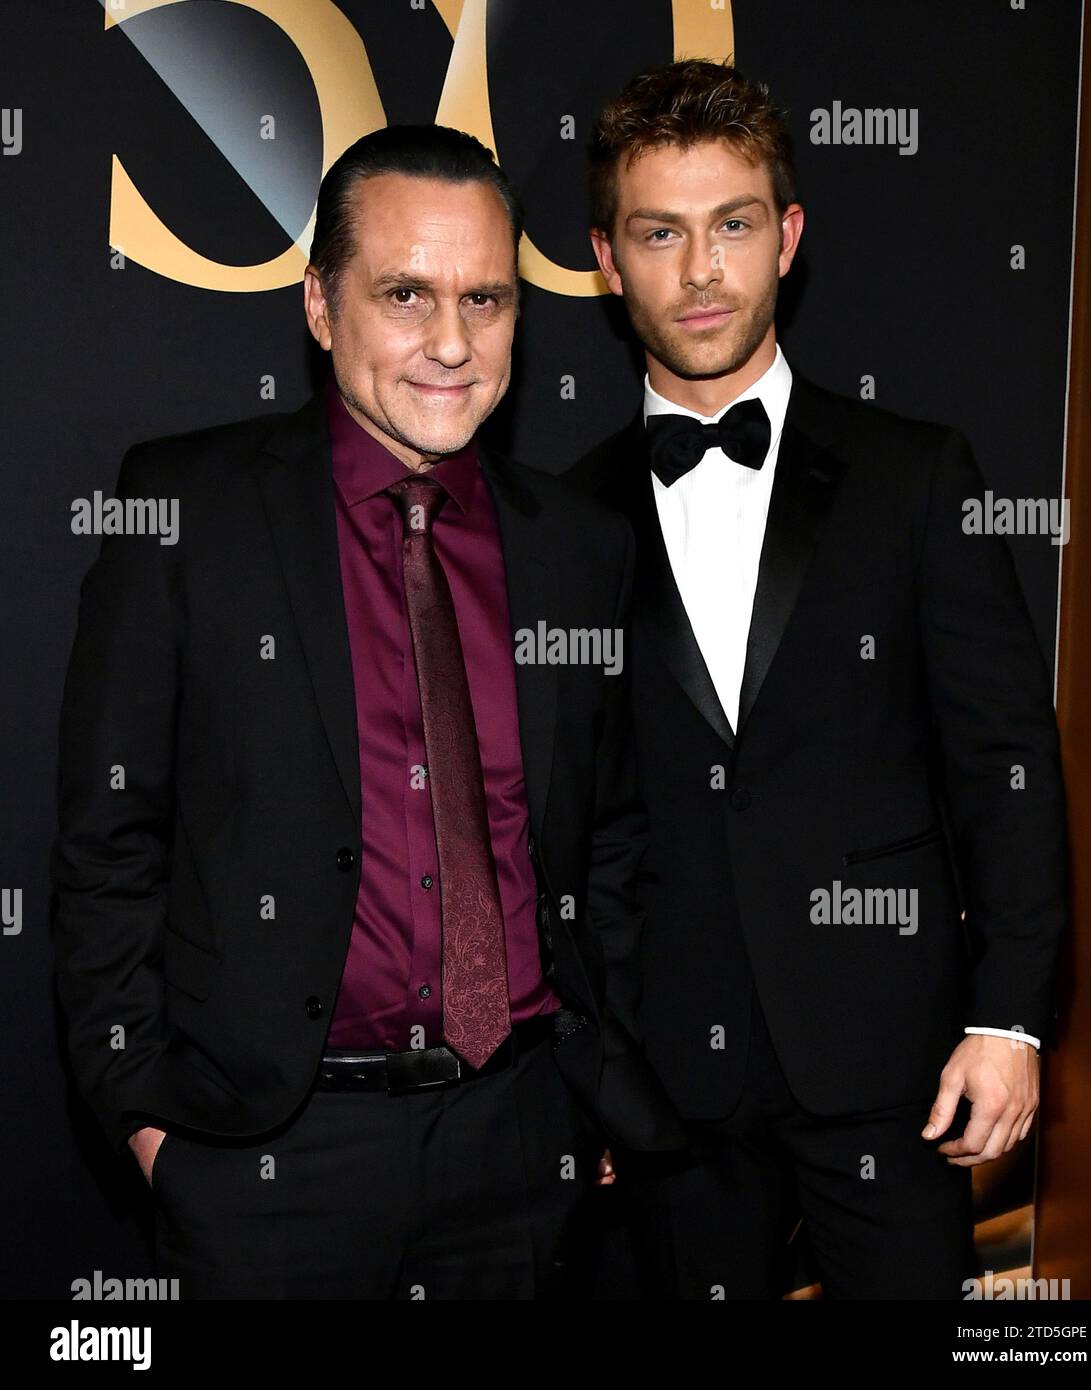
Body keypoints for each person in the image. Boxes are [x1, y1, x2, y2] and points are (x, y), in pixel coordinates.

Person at [49, 123, 683, 1300]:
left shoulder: (579, 547)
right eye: (406, 294)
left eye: (486, 299)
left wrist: (601, 1082)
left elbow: (612, 840)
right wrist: (146, 1116)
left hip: (518, 1141)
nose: (452, 343)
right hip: (268, 1155)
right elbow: (109, 840)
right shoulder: (187, 511)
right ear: (320, 306)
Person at [570, 60, 1067, 1299]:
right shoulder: (558, 522)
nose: (700, 272)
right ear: (604, 260)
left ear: (786, 238)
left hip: (895, 1070)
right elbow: (557, 832)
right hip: (664, 1093)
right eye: (660, 233)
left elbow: (1006, 766)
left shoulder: (915, 474)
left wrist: (1008, 1020)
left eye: (732, 225)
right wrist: (588, 1071)